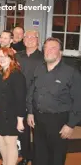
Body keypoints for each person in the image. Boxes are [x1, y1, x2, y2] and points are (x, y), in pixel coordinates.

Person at [27, 37, 81, 165]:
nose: (48, 51)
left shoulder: (71, 73)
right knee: (39, 154)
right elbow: (31, 92)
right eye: (46, 48)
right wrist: (30, 112)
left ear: (60, 52)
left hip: (59, 121)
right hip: (38, 120)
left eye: (53, 48)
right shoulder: (39, 69)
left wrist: (71, 124)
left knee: (56, 157)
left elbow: (79, 100)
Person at [16, 30, 44, 165]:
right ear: (23, 39)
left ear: (38, 40)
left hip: (36, 100)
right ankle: (26, 156)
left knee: (37, 131)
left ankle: (38, 158)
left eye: (33, 37)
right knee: (23, 130)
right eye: (27, 36)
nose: (30, 39)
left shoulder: (43, 58)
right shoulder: (17, 56)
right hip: (19, 98)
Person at [0, 47, 26, 165]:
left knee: (10, 143)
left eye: (5, 56)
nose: (1, 59)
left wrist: (20, 121)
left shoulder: (17, 75)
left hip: (12, 115)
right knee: (0, 141)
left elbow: (21, 100)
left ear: (11, 58)